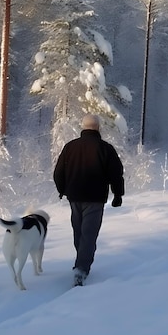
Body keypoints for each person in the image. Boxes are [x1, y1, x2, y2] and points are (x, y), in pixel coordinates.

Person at [53, 114, 125, 286]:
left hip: (75, 197)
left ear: (83, 127)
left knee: (79, 232)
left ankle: (81, 262)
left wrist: (62, 190)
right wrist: (117, 194)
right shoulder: (105, 149)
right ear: (98, 128)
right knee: (89, 234)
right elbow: (116, 174)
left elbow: (58, 173)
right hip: (95, 198)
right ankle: (81, 269)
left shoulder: (70, 147)